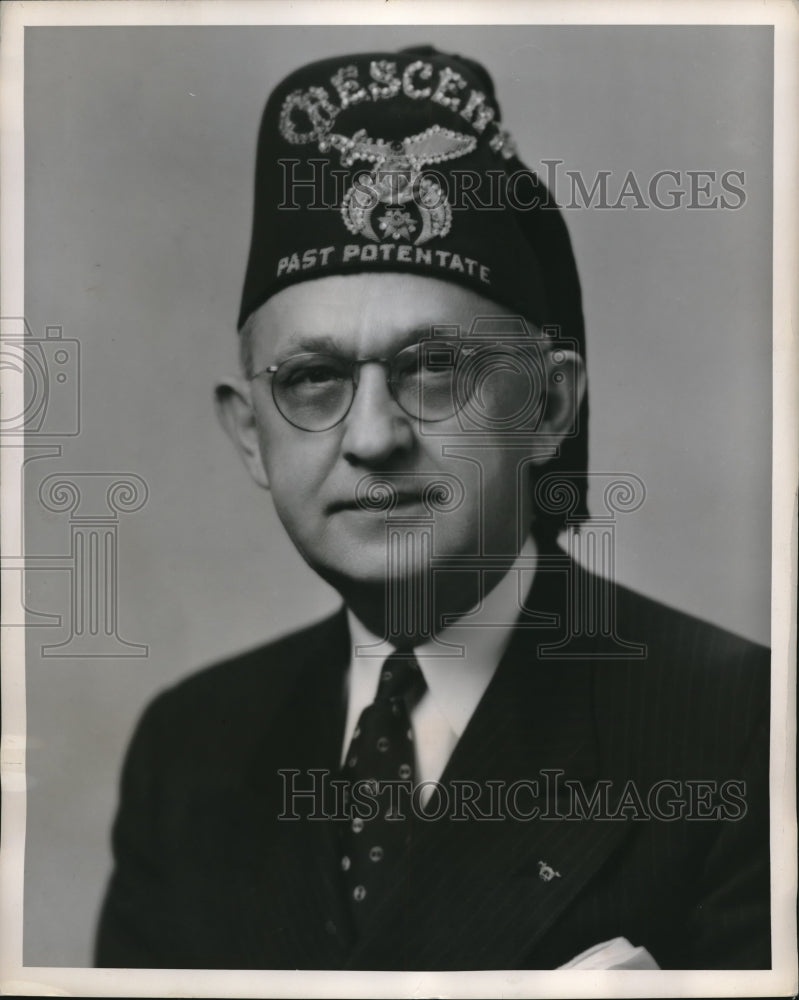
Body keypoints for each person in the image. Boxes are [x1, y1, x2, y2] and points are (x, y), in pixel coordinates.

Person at [95, 45, 770, 971]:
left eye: (434, 368)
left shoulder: (742, 731)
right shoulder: (190, 748)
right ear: (250, 435)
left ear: (547, 404)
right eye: (313, 379)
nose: (372, 436)